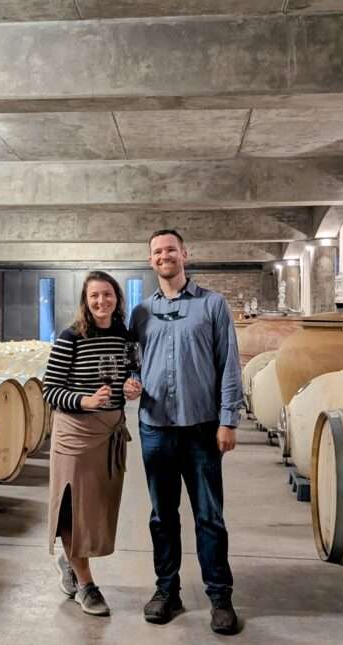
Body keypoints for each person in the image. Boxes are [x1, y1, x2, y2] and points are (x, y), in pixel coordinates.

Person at [128, 229, 243, 636]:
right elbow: (133, 363)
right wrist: (130, 381)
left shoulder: (212, 305)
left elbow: (229, 364)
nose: (165, 256)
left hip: (201, 429)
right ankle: (167, 590)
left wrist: (228, 420)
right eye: (157, 251)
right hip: (155, 428)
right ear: (151, 260)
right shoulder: (141, 312)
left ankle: (220, 597)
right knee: (162, 517)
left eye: (171, 250)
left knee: (209, 517)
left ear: (184, 254)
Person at [43, 270, 142, 616]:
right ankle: (86, 585)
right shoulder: (71, 336)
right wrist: (83, 401)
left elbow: (133, 372)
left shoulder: (125, 335)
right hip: (75, 433)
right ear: (85, 301)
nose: (101, 301)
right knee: (74, 508)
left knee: (98, 509)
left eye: (107, 294)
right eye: (94, 296)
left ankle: (70, 562)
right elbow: (49, 389)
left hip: (110, 431)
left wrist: (132, 386)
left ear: (117, 298)